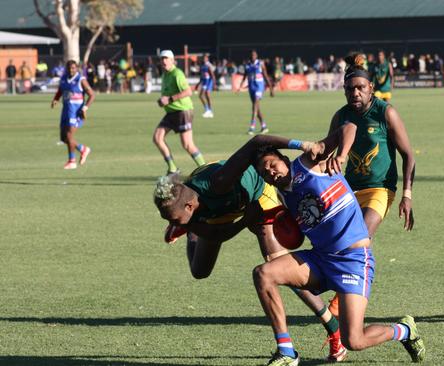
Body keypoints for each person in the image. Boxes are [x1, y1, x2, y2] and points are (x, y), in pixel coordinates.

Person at [211, 131, 425, 365]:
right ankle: (286, 351)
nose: (270, 172)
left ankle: (404, 330)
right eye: (265, 173)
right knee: (264, 273)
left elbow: (349, 126)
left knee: (354, 341)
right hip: (321, 259)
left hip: (353, 260)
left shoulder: (309, 163)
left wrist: (340, 155)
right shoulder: (283, 194)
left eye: (272, 165)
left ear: (283, 159)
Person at [153, 161, 348, 362]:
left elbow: (254, 148)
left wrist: (298, 147)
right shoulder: (190, 199)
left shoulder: (220, 184)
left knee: (280, 268)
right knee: (200, 270)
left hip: (257, 196)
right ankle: (188, 229)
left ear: (188, 206)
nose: (168, 223)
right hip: (219, 210)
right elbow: (220, 234)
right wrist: (238, 222)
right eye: (171, 220)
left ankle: (330, 332)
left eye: (173, 219)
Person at [326, 53, 416, 318]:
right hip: (349, 191)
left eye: (360, 88)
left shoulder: (385, 112)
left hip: (380, 189)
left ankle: (340, 303)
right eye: (349, 89)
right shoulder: (341, 117)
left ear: (370, 89)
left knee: (359, 238)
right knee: (339, 243)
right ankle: (344, 291)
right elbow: (326, 151)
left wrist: (407, 195)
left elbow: (408, 154)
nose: (355, 93)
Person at [152, 49, 206, 175]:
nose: (164, 61)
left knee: (187, 144)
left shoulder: (177, 74)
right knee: (157, 137)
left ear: (172, 60)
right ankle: (173, 169)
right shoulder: (165, 74)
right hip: (171, 112)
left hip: (183, 111)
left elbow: (188, 92)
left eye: (166, 58)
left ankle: (206, 170)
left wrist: (169, 99)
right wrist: (162, 101)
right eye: (162, 59)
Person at [50, 60, 94, 170]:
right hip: (65, 111)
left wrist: (85, 108)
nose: (71, 70)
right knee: (64, 138)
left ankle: (72, 161)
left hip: (75, 112)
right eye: (69, 68)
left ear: (77, 68)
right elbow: (61, 90)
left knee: (69, 136)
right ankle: (83, 149)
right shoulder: (64, 78)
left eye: (73, 68)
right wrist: (56, 98)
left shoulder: (81, 80)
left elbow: (92, 95)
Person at [238, 50, 273, 135]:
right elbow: (245, 76)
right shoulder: (248, 65)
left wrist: (271, 88)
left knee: (254, 106)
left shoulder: (260, 64)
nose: (253, 56)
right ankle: (264, 126)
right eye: (251, 55)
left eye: (254, 55)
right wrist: (241, 85)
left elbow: (265, 76)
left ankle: (252, 127)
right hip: (251, 87)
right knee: (257, 108)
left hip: (259, 87)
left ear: (256, 56)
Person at [195, 54, 216, 118]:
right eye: (203, 58)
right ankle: (207, 110)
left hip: (208, 82)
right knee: (200, 96)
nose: (204, 59)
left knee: (206, 94)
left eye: (205, 58)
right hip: (204, 82)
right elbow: (201, 77)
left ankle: (209, 110)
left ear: (207, 59)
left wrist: (214, 84)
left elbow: (212, 75)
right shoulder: (202, 66)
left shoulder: (208, 66)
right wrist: (198, 84)